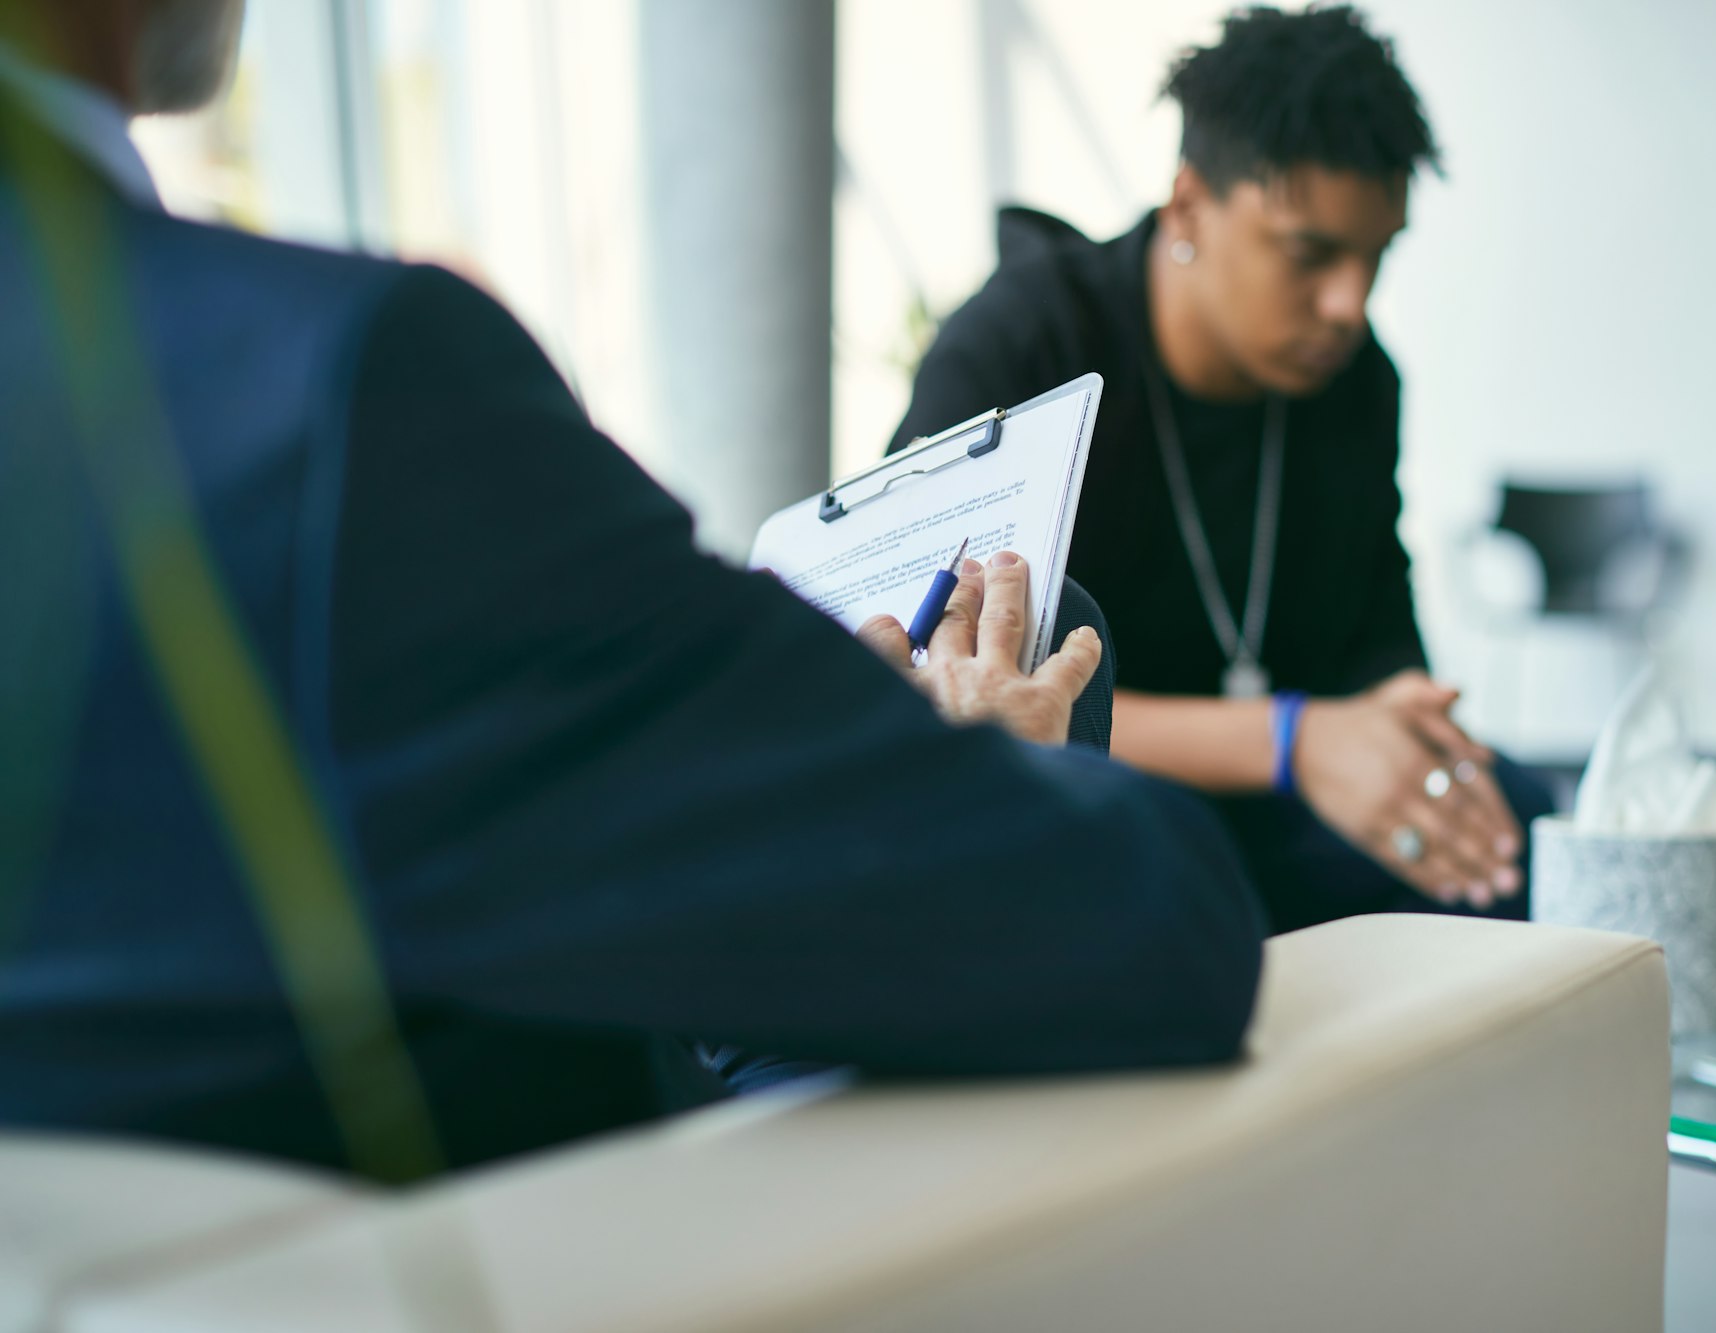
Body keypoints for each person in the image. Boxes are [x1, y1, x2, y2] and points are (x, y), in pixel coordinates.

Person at [0, 0, 1265, 1182]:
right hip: (581, 1233)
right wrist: (959, 763)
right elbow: (1157, 928)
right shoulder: (331, 388)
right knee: (1059, 646)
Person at [892, 4, 1554, 934]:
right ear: (1190, 205)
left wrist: (1402, 724)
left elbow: (1374, 636)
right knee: (1149, 865)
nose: (1348, 306)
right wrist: (1289, 740)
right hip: (1068, 803)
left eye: (1376, 257)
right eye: (1311, 253)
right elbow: (939, 685)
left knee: (1519, 830)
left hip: (1269, 808)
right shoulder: (1024, 346)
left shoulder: (1356, 384)